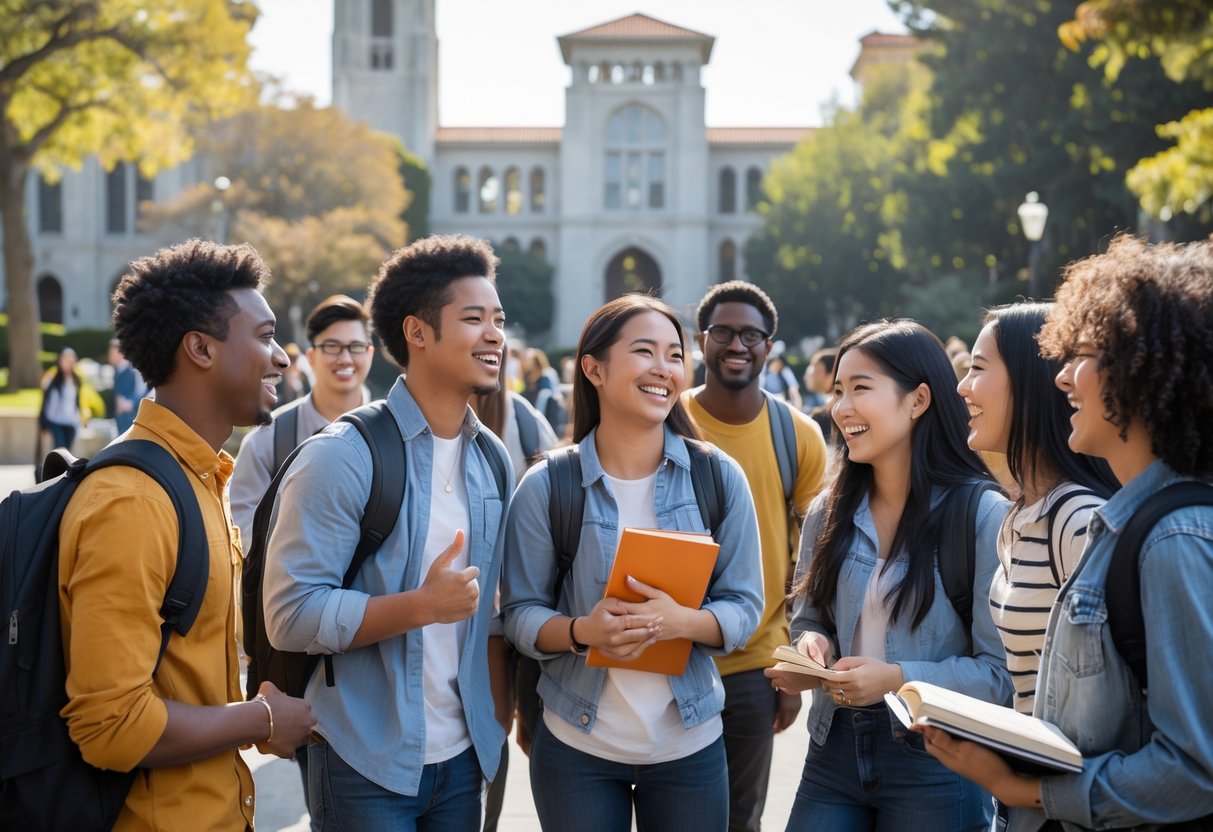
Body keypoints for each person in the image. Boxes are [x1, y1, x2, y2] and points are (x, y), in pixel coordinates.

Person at [921, 235, 1213, 830]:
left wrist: (1029, 791)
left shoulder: (1170, 537)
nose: (1062, 378)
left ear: (1140, 366)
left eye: (1081, 354)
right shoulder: (1126, 522)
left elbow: (1194, 769)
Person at [57, 239, 317, 830]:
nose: (280, 358)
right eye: (264, 335)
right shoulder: (133, 501)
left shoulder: (199, 477)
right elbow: (112, 725)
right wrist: (262, 720)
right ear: (200, 348)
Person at [262, 235, 512, 831]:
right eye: (473, 318)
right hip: (361, 758)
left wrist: (494, 724)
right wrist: (419, 607)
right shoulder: (342, 456)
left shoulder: (493, 458)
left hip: (462, 758)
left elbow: (490, 619)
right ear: (417, 333)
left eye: (498, 319)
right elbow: (290, 614)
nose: (495, 334)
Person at [501, 294, 764, 832]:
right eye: (645, 352)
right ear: (593, 369)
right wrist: (581, 630)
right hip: (577, 747)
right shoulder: (547, 486)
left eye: (674, 354)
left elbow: (745, 605)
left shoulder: (718, 477)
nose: (664, 370)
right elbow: (520, 615)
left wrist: (683, 622)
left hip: (690, 746)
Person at [766, 319, 1012, 831]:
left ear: (918, 400)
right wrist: (812, 650)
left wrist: (897, 680)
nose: (841, 408)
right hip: (832, 746)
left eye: (860, 388)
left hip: (938, 758)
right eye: (838, 390)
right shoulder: (827, 512)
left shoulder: (982, 514)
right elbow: (809, 617)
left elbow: (1000, 676)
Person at [682, 280, 829, 832]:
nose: (737, 344)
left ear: (770, 345)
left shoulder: (798, 436)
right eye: (723, 331)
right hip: (669, 657)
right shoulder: (665, 420)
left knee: (740, 820)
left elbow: (817, 556)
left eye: (751, 334)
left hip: (753, 663)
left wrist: (791, 663)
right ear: (702, 340)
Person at [957, 304, 1119, 717]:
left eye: (977, 368)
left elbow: (1107, 697)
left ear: (1030, 381)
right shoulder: (1019, 515)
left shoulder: (1080, 521)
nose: (962, 387)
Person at [469, 357, 558, 832]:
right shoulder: (435, 420)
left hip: (511, 613)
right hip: (459, 613)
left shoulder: (523, 419)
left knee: (498, 726)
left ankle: (488, 818)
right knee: (479, 728)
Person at [230, 294, 375, 545]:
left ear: (370, 354)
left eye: (356, 347)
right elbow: (241, 534)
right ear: (311, 357)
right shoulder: (267, 440)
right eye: (332, 346)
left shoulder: (395, 435)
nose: (345, 358)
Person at [39, 347, 84, 451]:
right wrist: (44, 422)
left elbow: (77, 401)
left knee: (68, 451)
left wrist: (79, 418)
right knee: (60, 449)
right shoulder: (53, 379)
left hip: (71, 422)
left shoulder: (76, 379)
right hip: (56, 421)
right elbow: (47, 403)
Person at [108, 338, 148, 435]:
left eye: (113, 353)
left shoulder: (132, 370)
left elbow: (144, 390)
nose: (110, 356)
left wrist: (130, 403)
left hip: (129, 416)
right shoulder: (118, 370)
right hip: (121, 416)